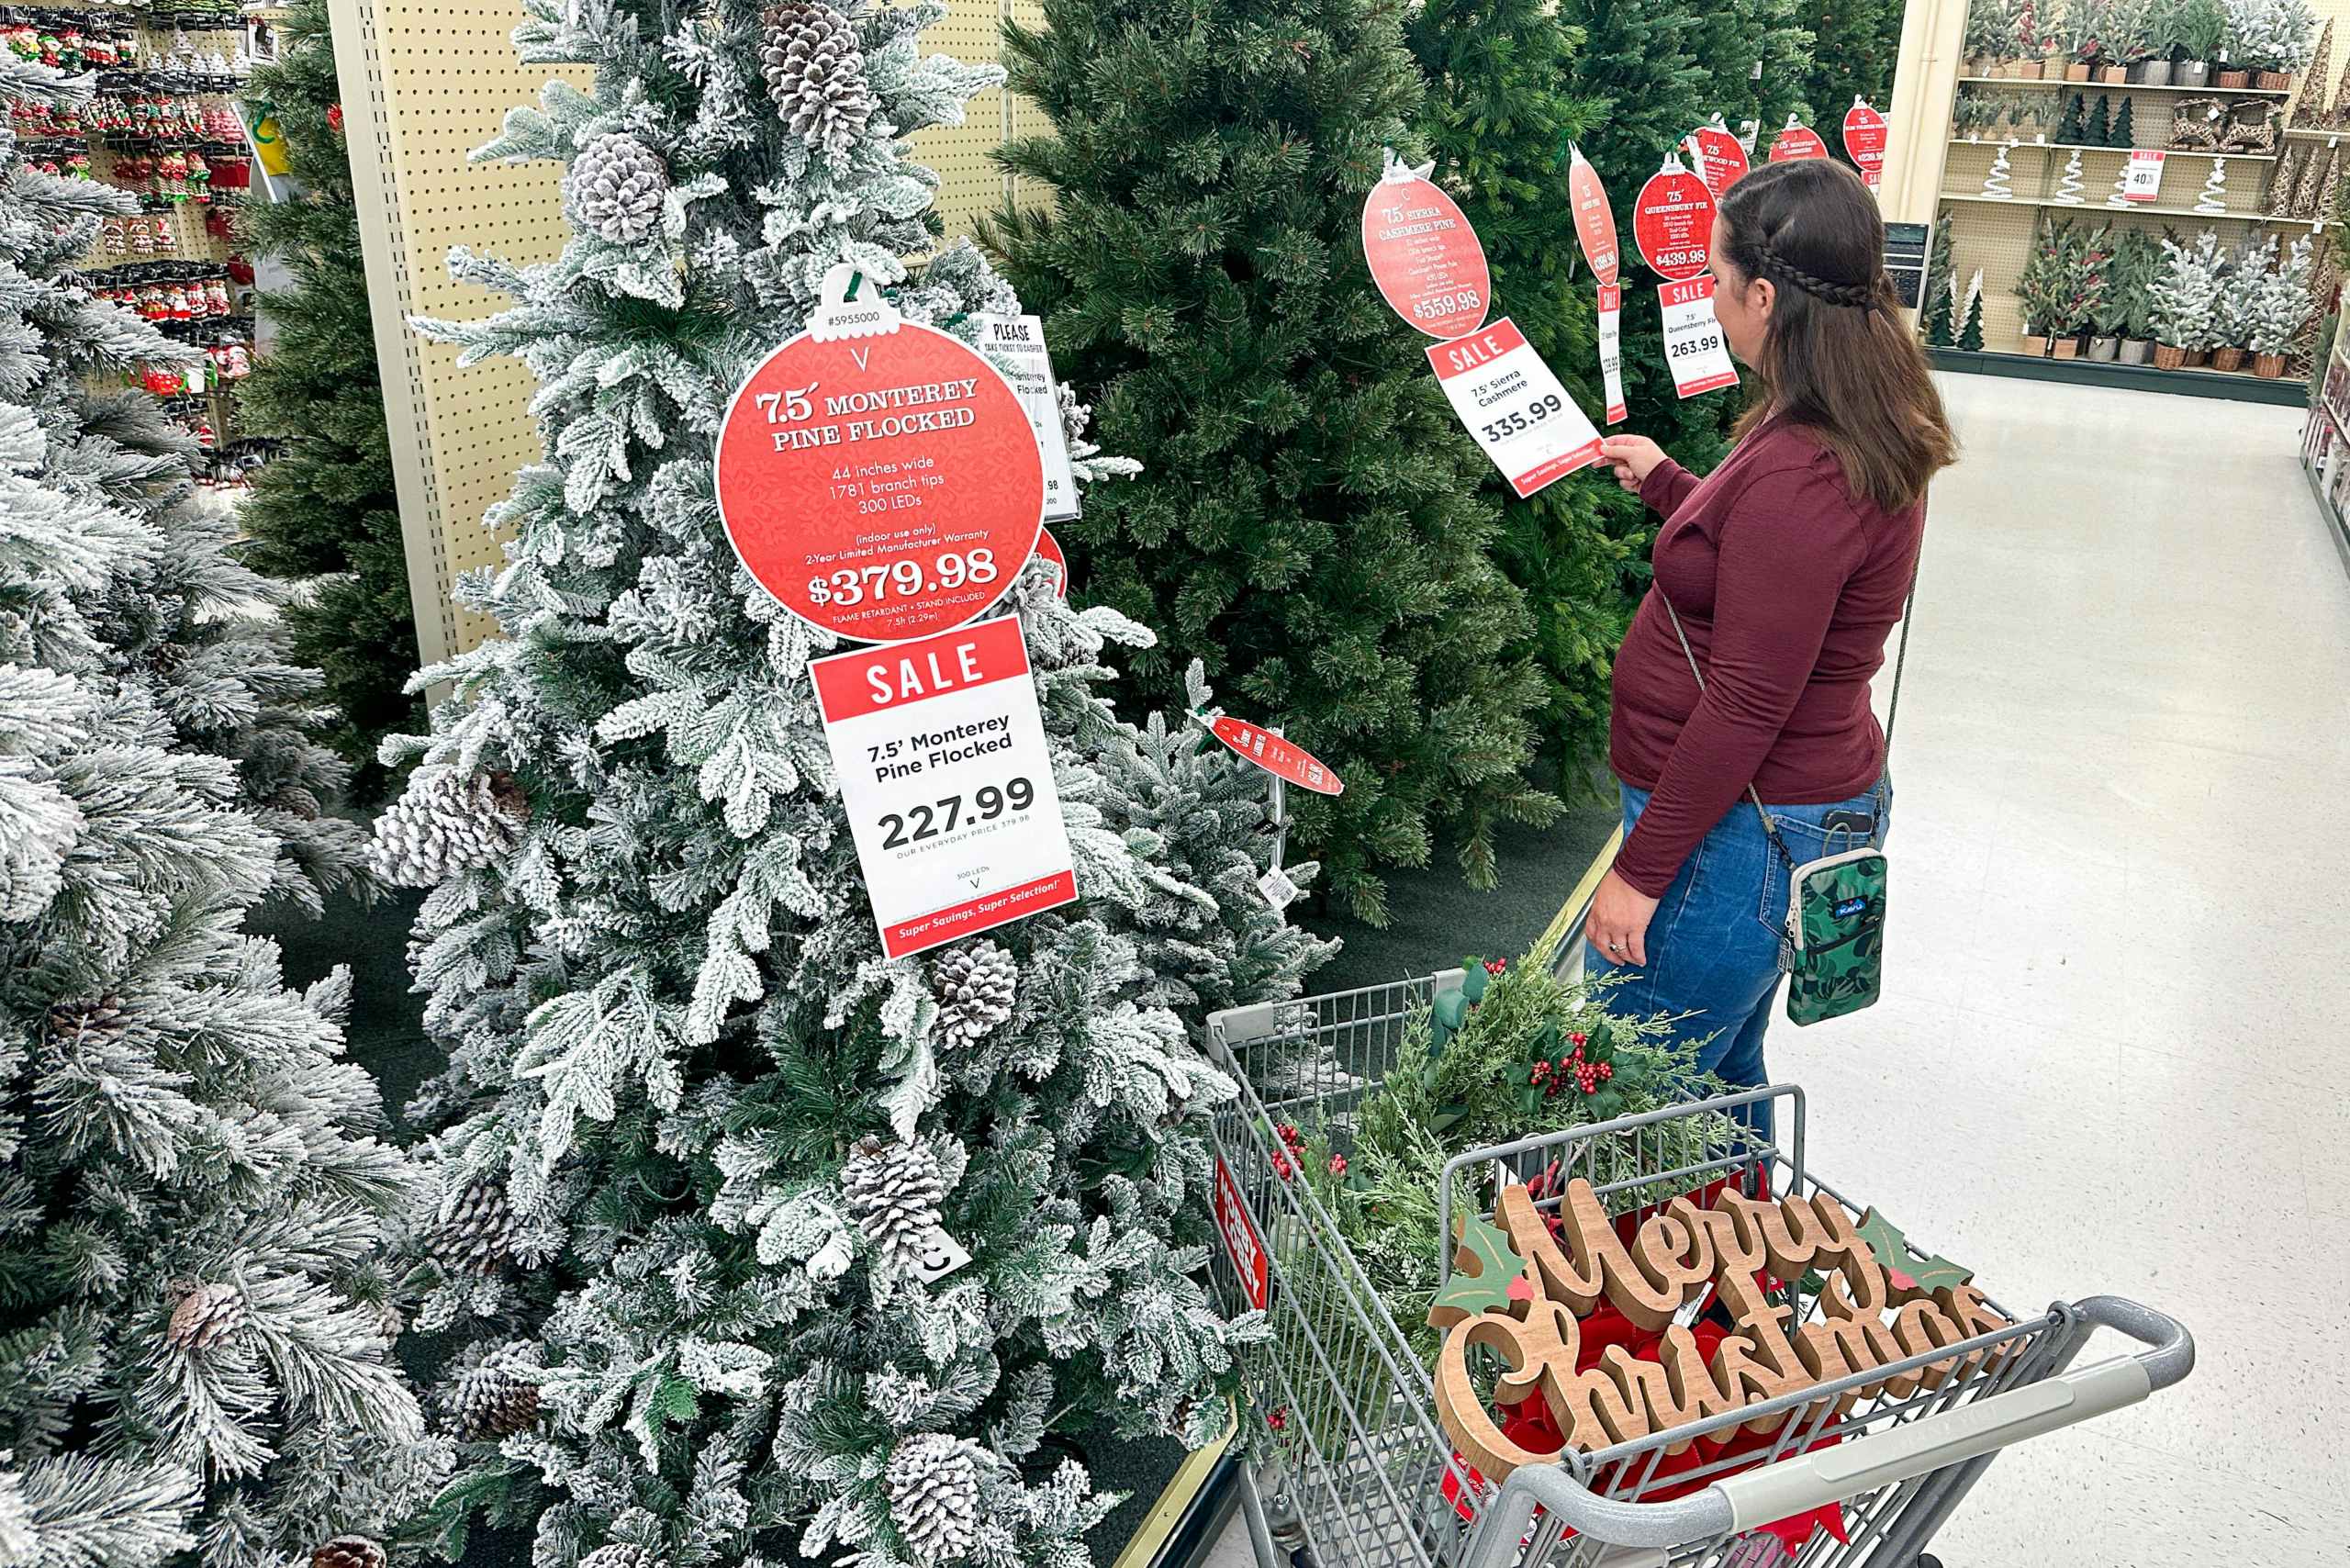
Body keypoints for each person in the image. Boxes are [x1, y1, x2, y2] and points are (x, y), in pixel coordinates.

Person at [1586, 159, 1957, 1136]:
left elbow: (1748, 698)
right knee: (1717, 1083)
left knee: (1624, 1105)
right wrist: (1672, 485)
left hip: (1739, 835)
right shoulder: (1841, 421)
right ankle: (1747, 1280)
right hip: (1773, 822)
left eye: (1712, 279)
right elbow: (1771, 569)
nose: (1707, 300)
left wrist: (1640, 871)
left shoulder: (1808, 468)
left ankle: (1643, 1286)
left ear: (1763, 294)